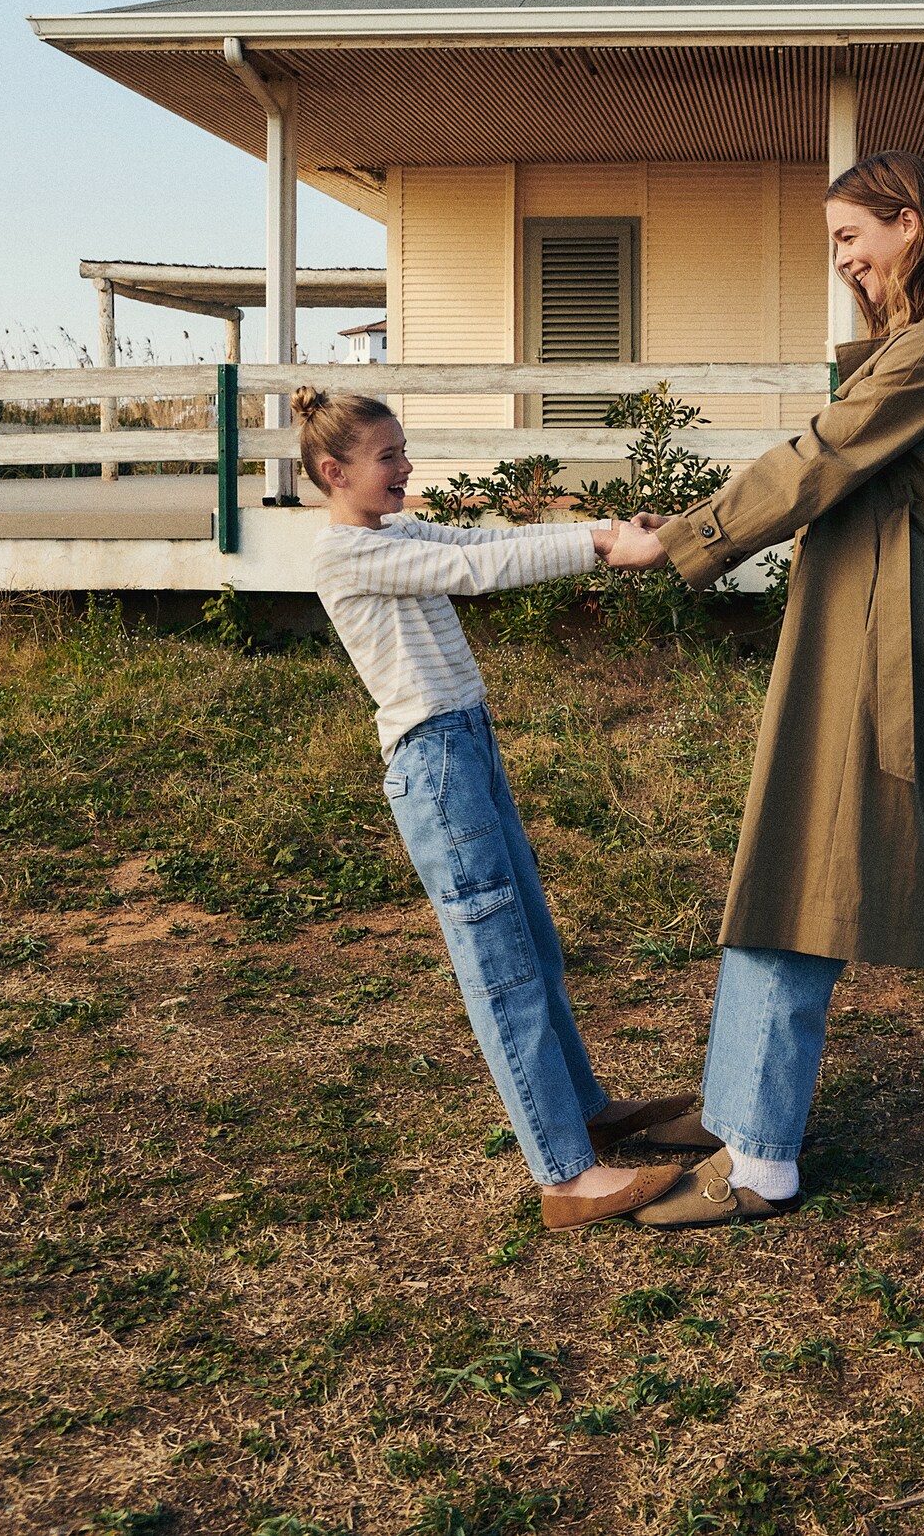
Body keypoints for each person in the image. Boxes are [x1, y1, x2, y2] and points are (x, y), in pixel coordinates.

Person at [618, 152, 924, 1227]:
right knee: (785, 854)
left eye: (852, 237)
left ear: (910, 226)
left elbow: (821, 457)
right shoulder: (913, 345)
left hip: (877, 636)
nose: (840, 258)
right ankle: (739, 1106)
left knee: (814, 871)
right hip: (846, 616)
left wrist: (683, 539)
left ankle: (762, 1161)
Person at [293, 384, 687, 1231]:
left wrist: (612, 530)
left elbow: (483, 541)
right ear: (334, 470)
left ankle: (585, 1109)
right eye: (388, 456)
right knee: (499, 964)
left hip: (466, 743)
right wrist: (599, 543)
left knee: (532, 940)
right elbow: (472, 572)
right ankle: (564, 1176)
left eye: (403, 451)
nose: (405, 468)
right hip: (433, 762)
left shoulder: (393, 530)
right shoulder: (341, 555)